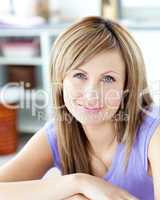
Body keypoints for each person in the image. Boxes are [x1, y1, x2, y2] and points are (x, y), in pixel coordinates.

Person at [0, 16, 160, 200]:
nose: (92, 94)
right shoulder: (57, 134)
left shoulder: (154, 132)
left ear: (127, 86)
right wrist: (78, 182)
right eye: (79, 75)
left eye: (108, 78)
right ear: (60, 80)